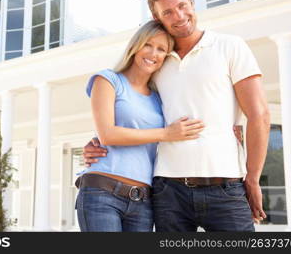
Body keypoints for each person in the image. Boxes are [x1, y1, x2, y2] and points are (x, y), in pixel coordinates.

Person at [83, 0, 270, 232]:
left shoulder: (230, 46)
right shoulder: (157, 61)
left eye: (182, 6)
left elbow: (259, 115)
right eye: (168, 12)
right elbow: (133, 105)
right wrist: (99, 141)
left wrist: (253, 178)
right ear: (156, 17)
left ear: (192, 3)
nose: (179, 16)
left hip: (225, 187)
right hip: (167, 192)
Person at [75, 20, 205, 232]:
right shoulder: (108, 80)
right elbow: (107, 134)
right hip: (102, 193)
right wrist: (167, 133)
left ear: (166, 57)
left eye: (161, 49)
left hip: (143, 201)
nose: (153, 53)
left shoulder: (159, 99)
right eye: (148, 44)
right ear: (135, 46)